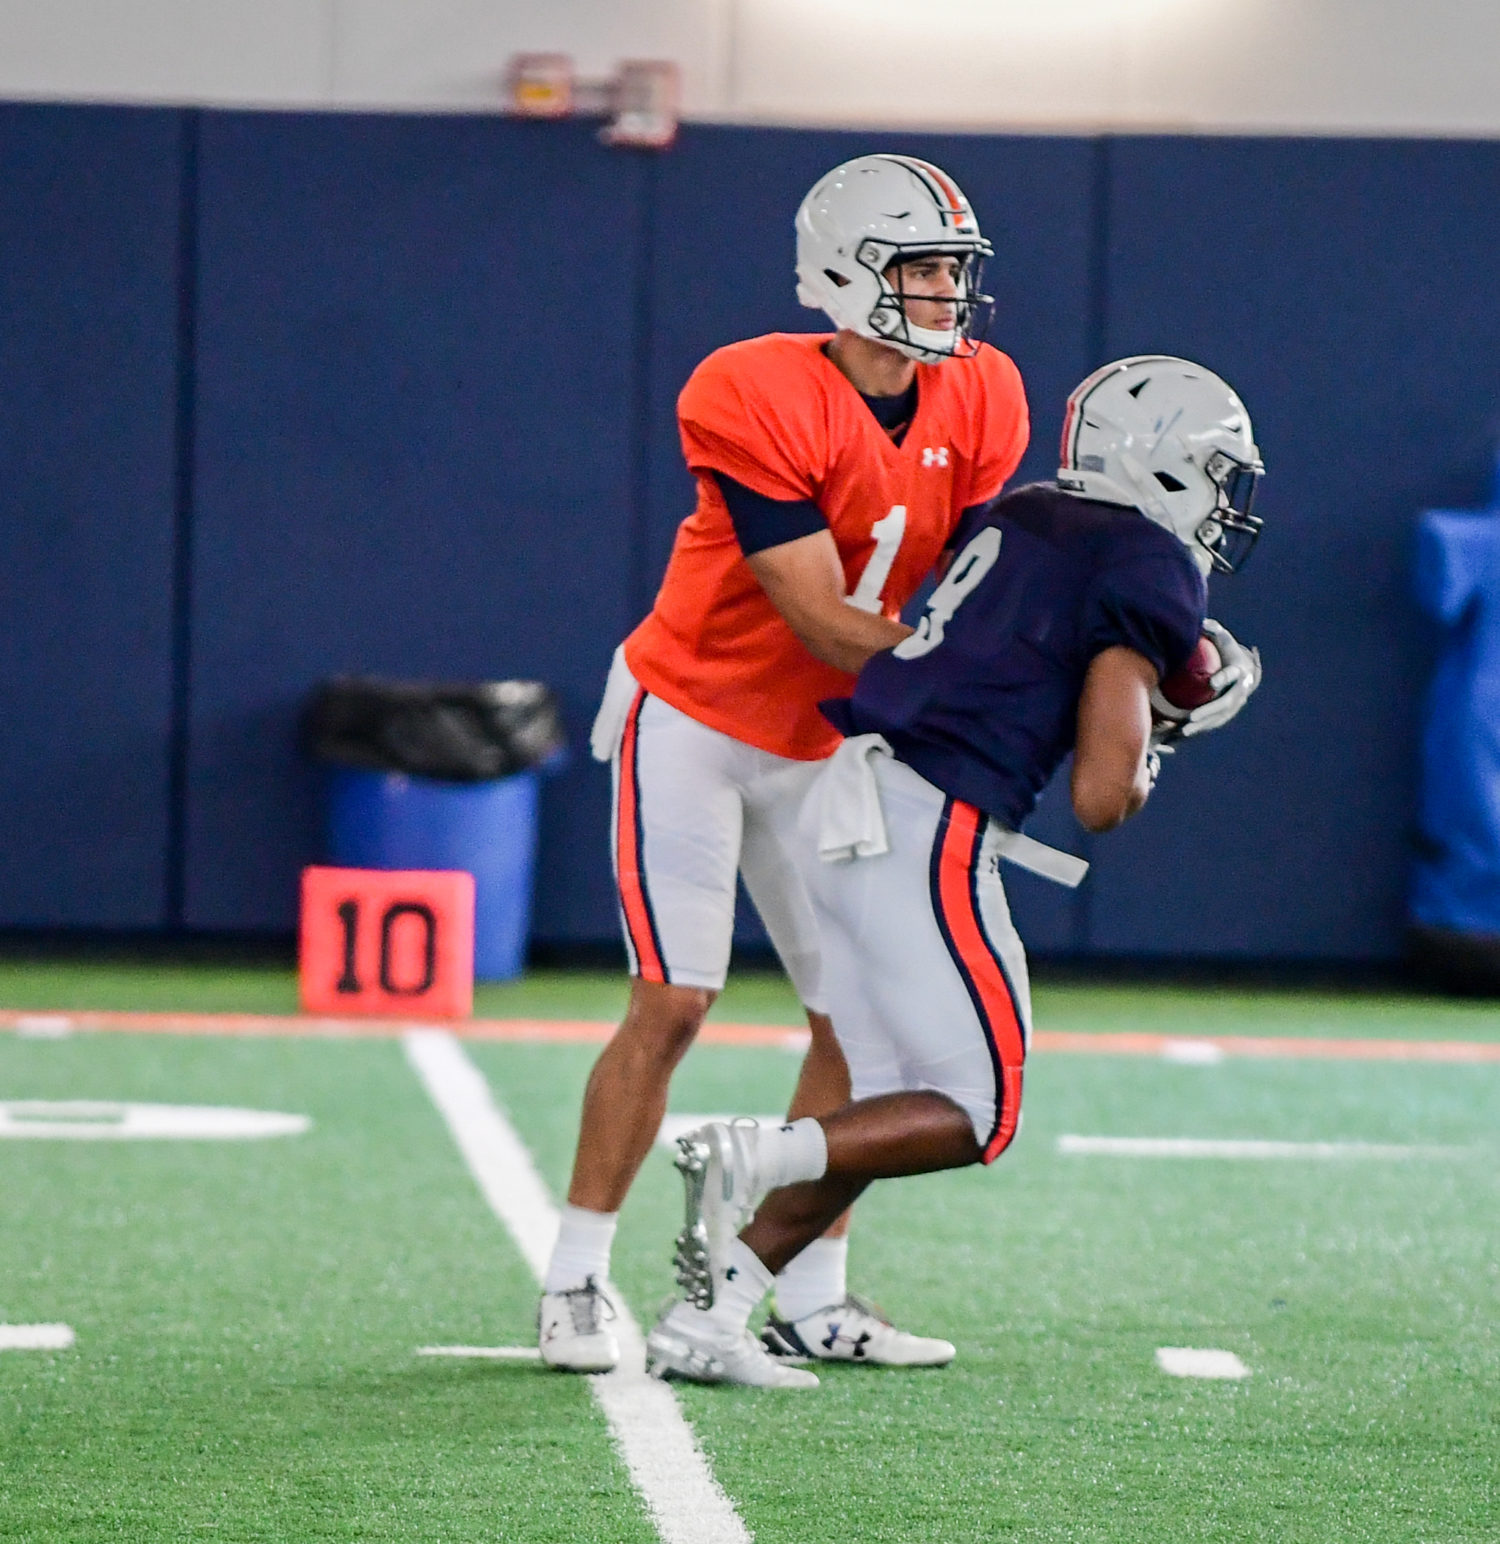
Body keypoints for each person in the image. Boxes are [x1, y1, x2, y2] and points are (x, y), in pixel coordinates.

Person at [644, 355, 1266, 1388]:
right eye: (1215, 469)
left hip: (851, 793)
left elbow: (1019, 660)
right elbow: (1100, 796)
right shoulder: (1149, 562)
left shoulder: (1027, 512)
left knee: (878, 1105)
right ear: (1161, 460)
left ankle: (709, 1317)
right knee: (980, 1108)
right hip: (924, 824)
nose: (1223, 497)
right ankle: (751, 1154)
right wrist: (1158, 738)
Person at [537, 154, 1031, 1375]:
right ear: (848, 273)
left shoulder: (984, 391)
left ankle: (809, 1292)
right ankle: (575, 1279)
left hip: (833, 745)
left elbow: (984, 588)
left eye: (951, 268)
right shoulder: (752, 387)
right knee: (674, 1000)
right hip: (698, 716)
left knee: (854, 1023)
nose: (944, 291)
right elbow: (819, 615)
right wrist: (985, 684)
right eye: (920, 267)